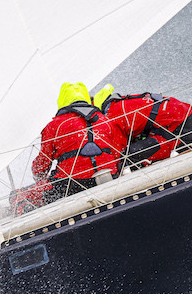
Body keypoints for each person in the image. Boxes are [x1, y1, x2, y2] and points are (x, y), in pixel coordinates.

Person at [13, 82, 121, 212]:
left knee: (17, 195)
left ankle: (26, 224)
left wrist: (39, 180)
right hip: (109, 175)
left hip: (70, 184)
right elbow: (117, 153)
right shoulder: (105, 120)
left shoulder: (55, 125)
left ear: (62, 100)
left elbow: (41, 166)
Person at [95, 85, 192, 167]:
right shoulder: (120, 102)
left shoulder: (112, 118)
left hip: (180, 129)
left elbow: (117, 153)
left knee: (128, 158)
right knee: (137, 147)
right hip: (186, 116)